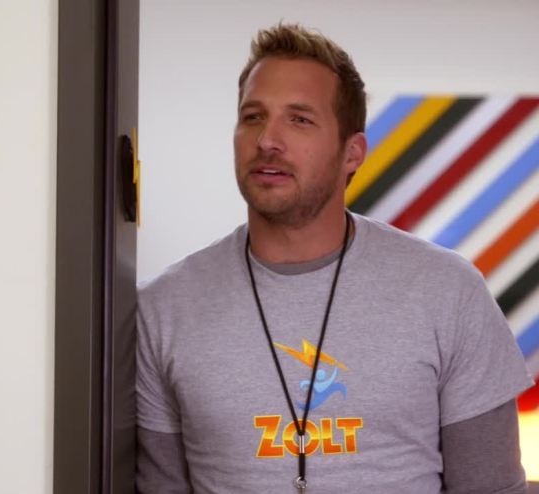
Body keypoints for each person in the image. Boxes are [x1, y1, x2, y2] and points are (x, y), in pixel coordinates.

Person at [136, 23, 533, 493]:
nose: (267, 140)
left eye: (299, 120)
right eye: (253, 116)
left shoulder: (448, 292)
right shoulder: (164, 308)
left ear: (352, 153)